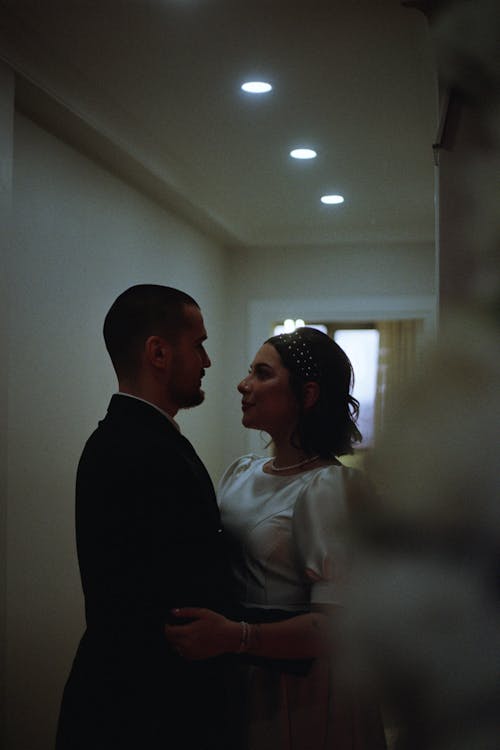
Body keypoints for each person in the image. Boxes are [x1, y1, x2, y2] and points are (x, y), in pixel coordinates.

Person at [165, 327, 388, 750]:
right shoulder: (241, 471)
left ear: (308, 394)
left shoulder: (331, 488)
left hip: (299, 687)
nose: (242, 384)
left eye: (262, 374)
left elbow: (332, 626)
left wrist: (236, 635)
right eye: (250, 371)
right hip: (238, 673)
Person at [55, 284, 239, 750]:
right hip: (143, 711)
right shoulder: (137, 449)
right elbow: (159, 597)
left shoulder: (138, 439)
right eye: (198, 344)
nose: (207, 361)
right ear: (158, 352)